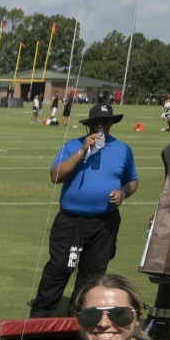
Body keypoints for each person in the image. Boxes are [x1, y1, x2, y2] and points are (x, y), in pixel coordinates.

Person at [28, 103, 139, 320]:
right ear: (89, 125)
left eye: (105, 122)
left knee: (93, 273)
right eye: (96, 122)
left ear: (110, 124)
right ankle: (39, 317)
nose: (100, 126)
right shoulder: (72, 146)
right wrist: (82, 151)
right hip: (71, 220)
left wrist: (123, 193)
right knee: (59, 268)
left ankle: (80, 317)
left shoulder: (123, 149)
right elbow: (56, 175)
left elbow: (132, 181)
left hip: (104, 223)